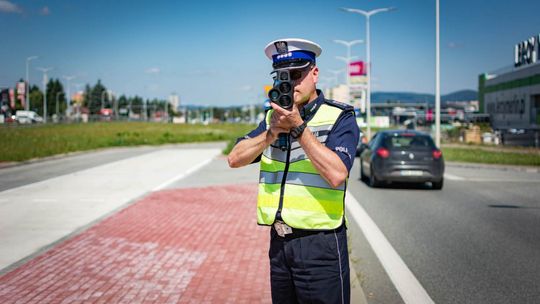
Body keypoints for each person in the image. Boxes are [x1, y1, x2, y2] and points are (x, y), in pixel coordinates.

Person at [228, 38, 359, 304]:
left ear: (315, 73)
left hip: (320, 245)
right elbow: (235, 158)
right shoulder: (270, 119)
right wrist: (271, 132)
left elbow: (336, 174)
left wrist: (299, 127)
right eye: (282, 76)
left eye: (297, 75)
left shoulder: (339, 116)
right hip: (279, 243)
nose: (289, 83)